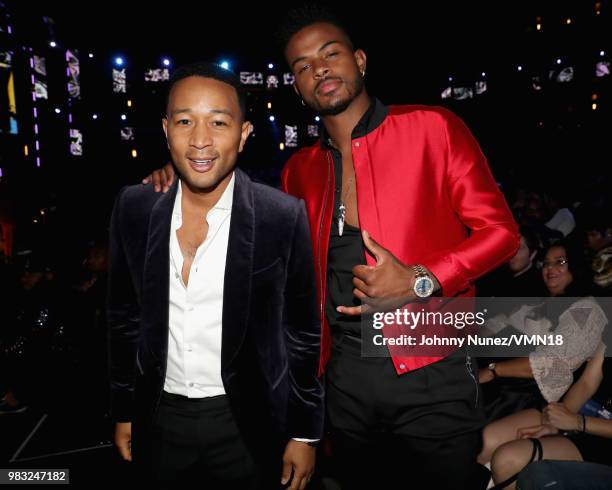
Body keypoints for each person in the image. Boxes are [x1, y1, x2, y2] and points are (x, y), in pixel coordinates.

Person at [142, 6, 519, 488]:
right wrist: (183, 176)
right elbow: (251, 216)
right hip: (342, 381)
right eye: (301, 66)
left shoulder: (432, 128)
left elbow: (502, 234)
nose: (317, 68)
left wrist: (421, 278)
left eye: (330, 54)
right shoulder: (300, 169)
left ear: (359, 61)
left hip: (433, 370)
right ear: (298, 88)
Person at [108, 62, 324, 489]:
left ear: (243, 134)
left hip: (249, 422)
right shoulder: (133, 207)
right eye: (185, 121)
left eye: (219, 122)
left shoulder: (280, 216)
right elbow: (124, 318)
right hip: (159, 416)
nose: (200, 140)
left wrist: (304, 432)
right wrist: (123, 409)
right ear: (166, 129)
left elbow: (302, 333)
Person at [480, 342, 612, 489]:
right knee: (488, 440)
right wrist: (554, 423)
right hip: (588, 414)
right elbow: (586, 383)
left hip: (602, 440)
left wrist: (577, 422)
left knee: (507, 461)